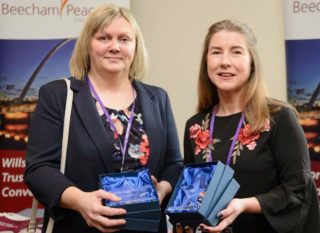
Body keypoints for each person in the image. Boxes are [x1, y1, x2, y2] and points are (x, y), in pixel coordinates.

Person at [24, 4, 183, 233]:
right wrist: (81, 201)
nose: (115, 47)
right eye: (104, 37)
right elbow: (38, 169)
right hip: (80, 226)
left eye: (124, 39)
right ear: (88, 44)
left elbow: (173, 163)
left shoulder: (157, 98)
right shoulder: (58, 95)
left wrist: (163, 190)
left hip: (145, 227)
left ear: (135, 46)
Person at [181, 19, 320, 233]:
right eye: (216, 52)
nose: (224, 61)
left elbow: (299, 190)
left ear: (251, 62)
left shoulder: (279, 119)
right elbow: (191, 197)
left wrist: (245, 204)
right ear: (206, 61)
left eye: (236, 52)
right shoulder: (195, 127)